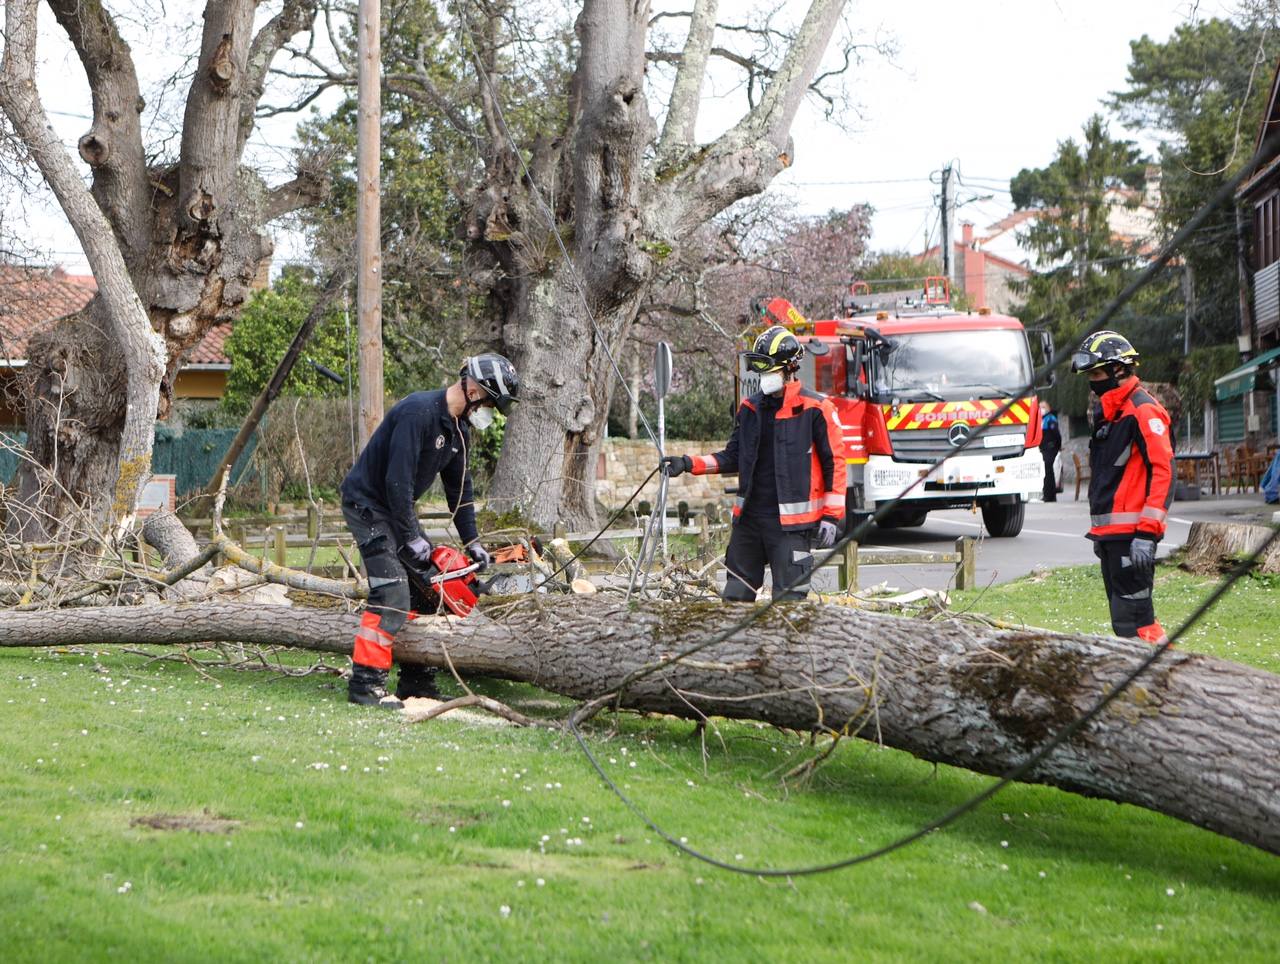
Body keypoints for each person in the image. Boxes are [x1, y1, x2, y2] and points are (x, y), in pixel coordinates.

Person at [339, 353, 519, 708]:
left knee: (428, 590)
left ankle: (415, 684)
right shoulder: (417, 413)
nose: (489, 411)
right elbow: (396, 482)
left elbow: (461, 494)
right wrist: (410, 536)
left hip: (396, 508)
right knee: (391, 593)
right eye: (489, 402)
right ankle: (365, 685)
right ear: (472, 389)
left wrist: (473, 543)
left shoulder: (458, 431)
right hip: (368, 506)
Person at [661, 325, 845, 601]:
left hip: (792, 527)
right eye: (759, 368)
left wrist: (832, 517)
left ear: (788, 368)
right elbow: (732, 456)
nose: (762, 375)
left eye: (768, 368)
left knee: (788, 603)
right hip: (749, 520)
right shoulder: (750, 408)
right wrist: (687, 464)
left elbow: (836, 464)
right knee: (735, 596)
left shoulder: (817, 409)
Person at [1071, 331, 1172, 643]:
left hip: (1134, 538)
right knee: (1124, 622)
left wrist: (1147, 533)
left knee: (1136, 623)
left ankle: (1162, 681)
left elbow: (1163, 471)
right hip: (1113, 537)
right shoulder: (1109, 413)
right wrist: (1101, 534)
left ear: (1120, 370)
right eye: (1090, 376)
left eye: (1098, 374)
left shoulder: (1143, 410)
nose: (1093, 382)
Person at [1040, 401, 1063, 502]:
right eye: (1040, 407)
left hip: (1050, 448)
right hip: (1044, 449)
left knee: (1048, 471)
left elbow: (1057, 435)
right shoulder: (1042, 420)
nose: (1041, 409)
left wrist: (1057, 447)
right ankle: (1049, 495)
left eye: (1043, 407)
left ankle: (1049, 495)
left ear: (1048, 408)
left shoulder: (1050, 419)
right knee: (1047, 471)